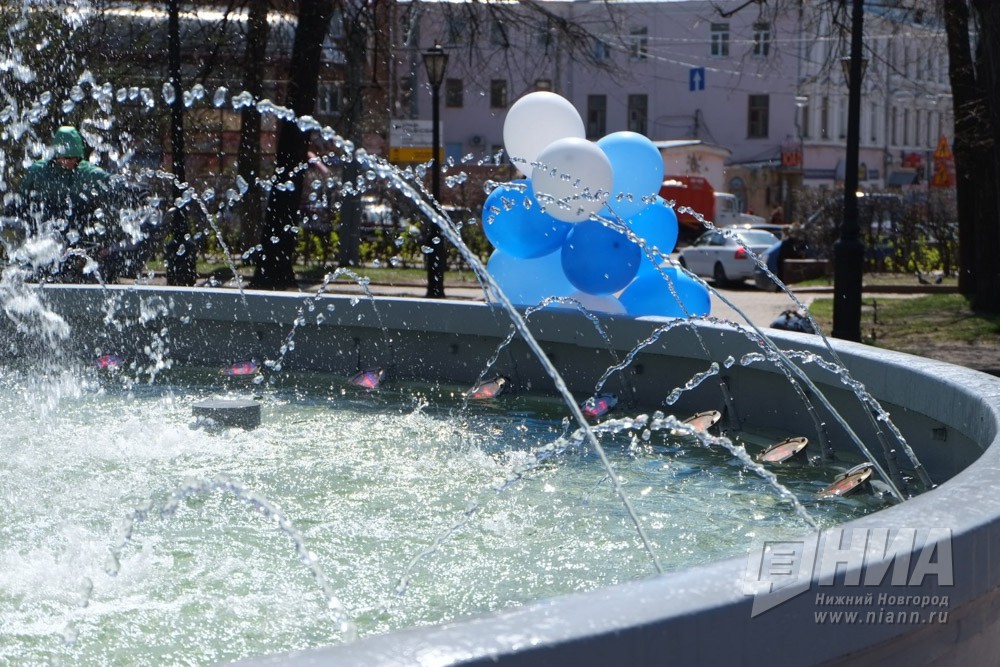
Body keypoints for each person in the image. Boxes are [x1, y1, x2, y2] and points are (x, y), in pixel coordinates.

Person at [14, 126, 158, 282]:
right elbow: (22, 198)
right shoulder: (39, 171)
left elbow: (112, 184)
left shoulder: (87, 173)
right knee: (38, 265)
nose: (68, 162)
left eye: (72, 158)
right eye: (64, 157)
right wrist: (15, 211)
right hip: (47, 228)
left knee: (84, 265)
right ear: (55, 155)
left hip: (78, 229)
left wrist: (137, 192)